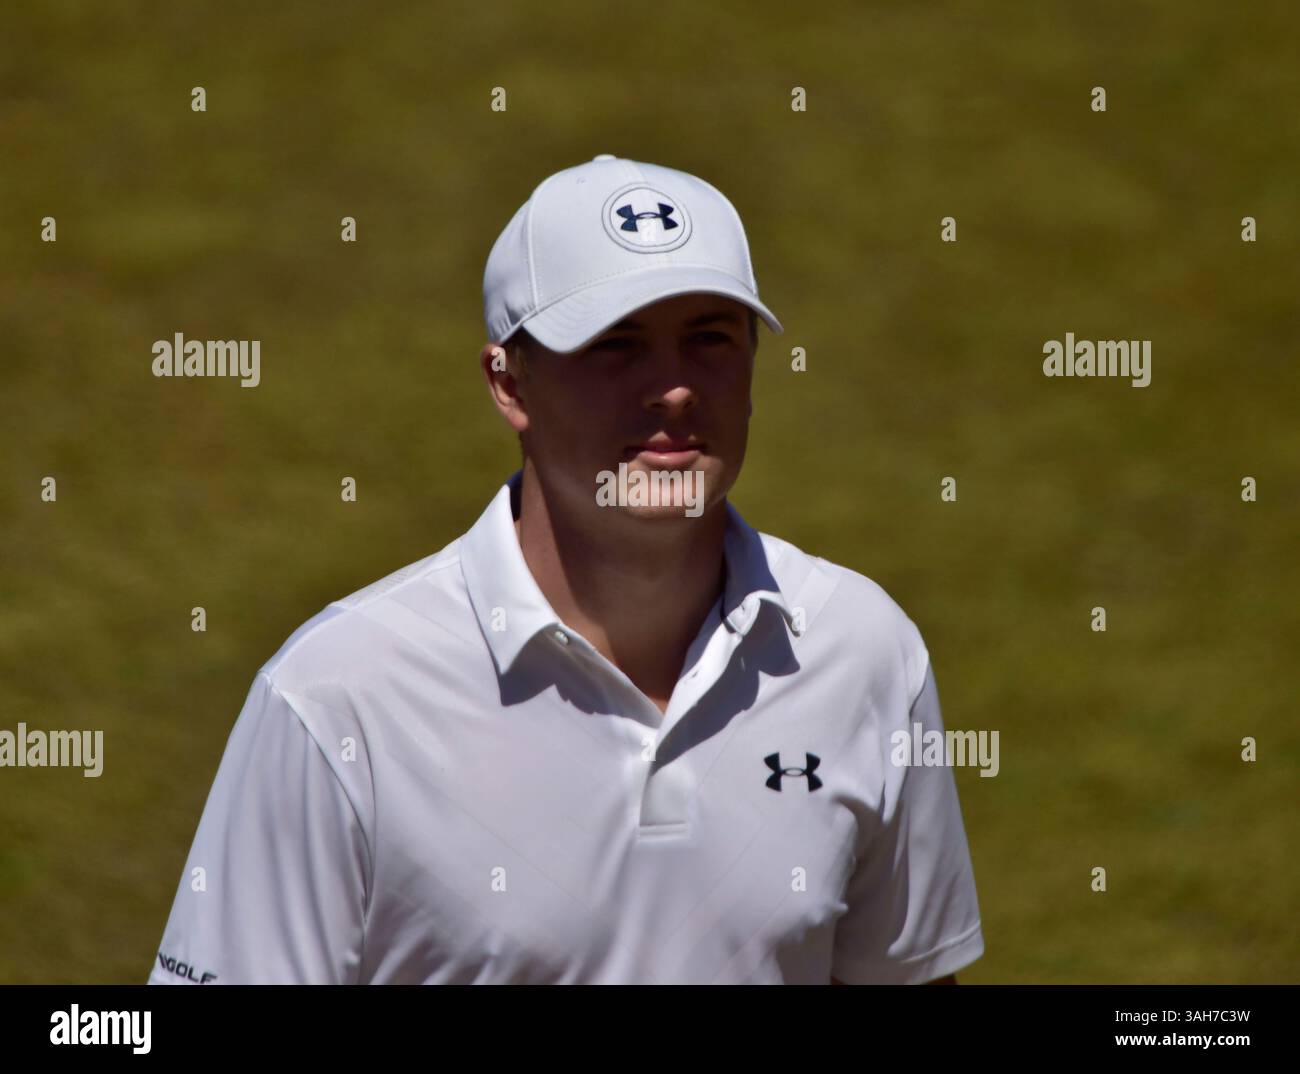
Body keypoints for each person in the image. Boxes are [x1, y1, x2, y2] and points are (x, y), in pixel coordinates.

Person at [147, 154, 984, 985]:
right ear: (508, 383)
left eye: (710, 339)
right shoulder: (338, 700)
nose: (676, 390)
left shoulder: (864, 653)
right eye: (616, 345)